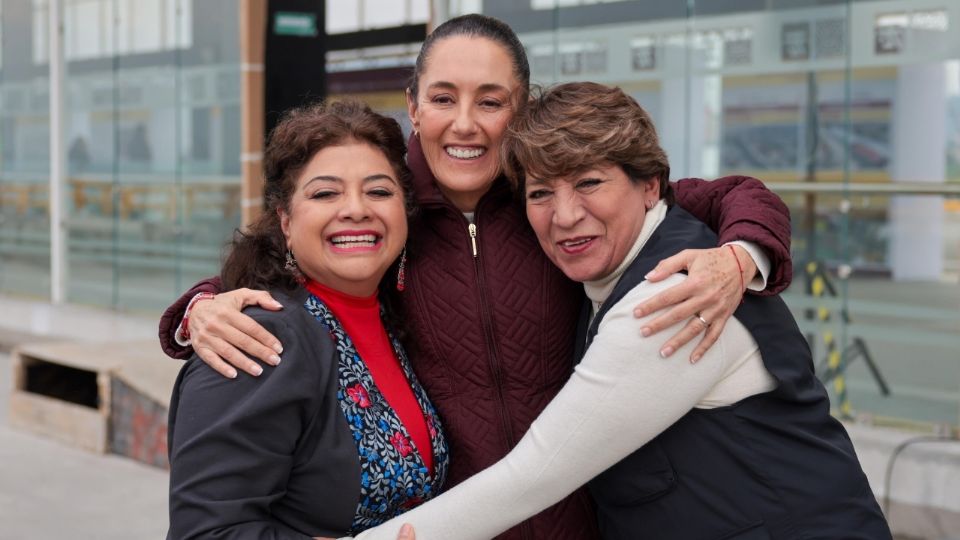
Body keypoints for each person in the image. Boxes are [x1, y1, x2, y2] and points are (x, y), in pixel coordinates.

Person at [159, 14, 795, 539]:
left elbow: (728, 193)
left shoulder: (550, 199)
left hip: (584, 521)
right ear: (414, 105)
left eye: (490, 102)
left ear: (519, 111)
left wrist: (739, 256)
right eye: (442, 99)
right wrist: (201, 308)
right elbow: (287, 252)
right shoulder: (388, 204)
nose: (464, 124)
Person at [350, 82, 892, 540]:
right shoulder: (630, 264)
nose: (565, 216)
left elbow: (530, 476)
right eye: (540, 194)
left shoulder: (672, 297)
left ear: (651, 185)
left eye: (589, 183)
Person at [166, 101, 448, 539]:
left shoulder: (393, 317)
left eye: (378, 191)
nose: (356, 209)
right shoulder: (257, 338)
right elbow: (206, 533)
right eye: (325, 193)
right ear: (286, 221)